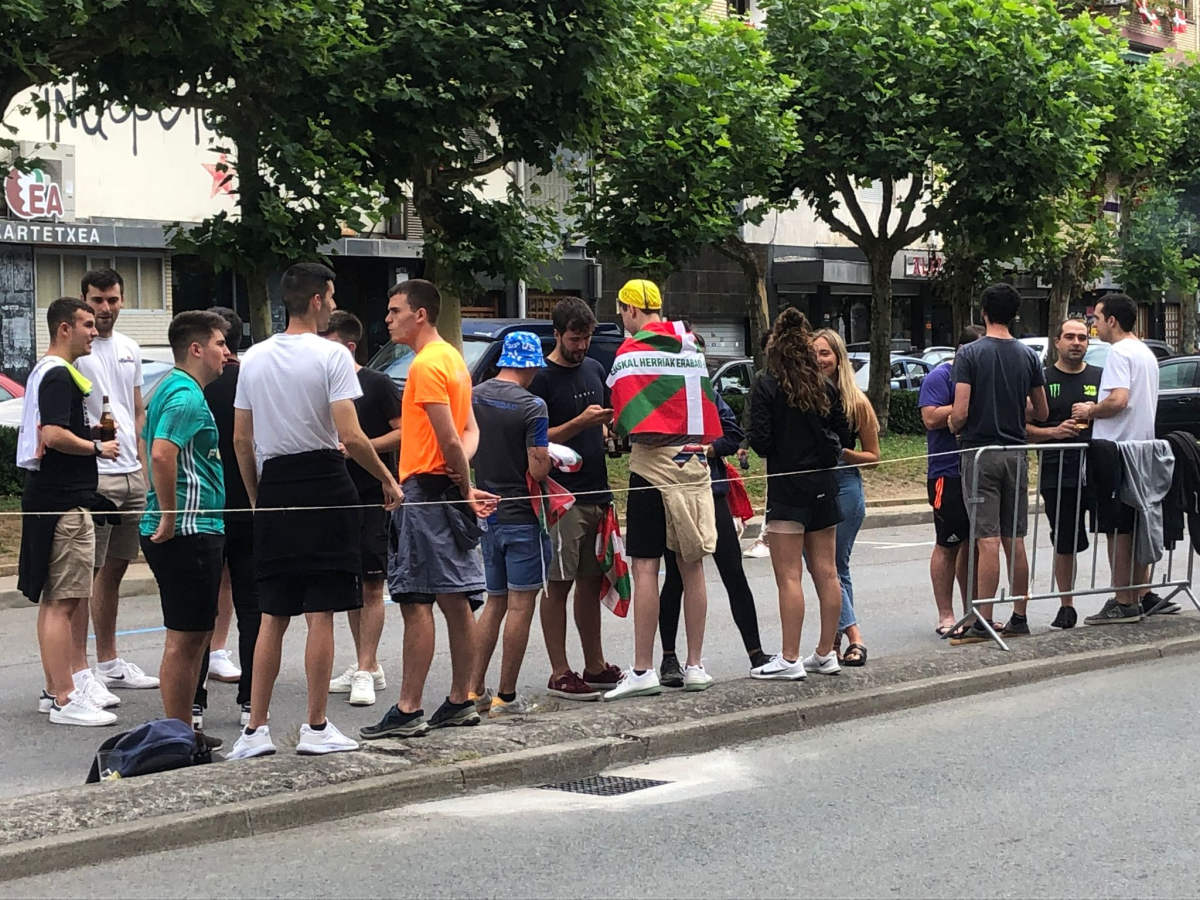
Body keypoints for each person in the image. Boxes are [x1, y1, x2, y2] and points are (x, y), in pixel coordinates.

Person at [228, 263, 402, 760]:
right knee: (320, 611)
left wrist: (258, 495)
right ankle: (316, 725)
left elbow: (241, 439)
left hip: (275, 481)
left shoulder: (254, 358)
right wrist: (386, 477)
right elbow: (350, 435)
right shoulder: (332, 355)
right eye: (331, 295)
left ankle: (255, 728)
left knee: (273, 612)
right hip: (326, 477)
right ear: (319, 300)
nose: (333, 303)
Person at [360, 279, 498, 740]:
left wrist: (463, 483)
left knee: (416, 599)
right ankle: (461, 698)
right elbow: (469, 432)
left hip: (424, 491)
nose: (388, 319)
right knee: (457, 600)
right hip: (445, 489)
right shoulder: (454, 359)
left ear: (420, 314)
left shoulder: (424, 365)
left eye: (395, 310)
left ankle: (408, 707)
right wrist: (462, 481)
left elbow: (451, 437)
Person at [603, 280, 719, 700]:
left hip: (650, 467)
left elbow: (623, 416)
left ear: (633, 309)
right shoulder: (691, 345)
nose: (623, 319)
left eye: (622, 311)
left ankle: (642, 669)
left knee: (646, 567)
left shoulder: (630, 352)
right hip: (693, 464)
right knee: (693, 565)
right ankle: (696, 665)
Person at [18, 297, 119, 725]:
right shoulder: (59, 374)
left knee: (59, 600)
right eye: (87, 325)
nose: (95, 332)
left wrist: (87, 430)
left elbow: (55, 429)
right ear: (64, 329)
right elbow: (53, 434)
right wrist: (96, 446)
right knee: (63, 602)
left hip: (51, 497)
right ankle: (64, 697)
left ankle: (54, 689)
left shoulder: (47, 371)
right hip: (63, 503)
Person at [659, 332, 770, 682]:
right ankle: (669, 660)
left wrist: (707, 450)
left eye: (699, 358)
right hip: (676, 493)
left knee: (733, 572)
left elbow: (733, 434)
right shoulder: (662, 395)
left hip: (713, 490)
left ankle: (756, 653)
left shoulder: (708, 393)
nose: (696, 364)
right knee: (675, 578)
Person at [140, 311, 230, 731]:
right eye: (220, 344)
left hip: (197, 529)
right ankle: (176, 733)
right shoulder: (185, 395)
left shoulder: (171, 387)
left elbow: (146, 444)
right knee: (185, 637)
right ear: (196, 349)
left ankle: (183, 731)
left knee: (196, 635)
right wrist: (169, 514)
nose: (227, 353)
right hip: (189, 532)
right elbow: (161, 453)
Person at [528, 297, 621, 701]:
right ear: (557, 334)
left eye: (586, 338)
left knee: (590, 580)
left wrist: (606, 429)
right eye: (574, 339)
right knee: (558, 583)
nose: (581, 346)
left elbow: (601, 424)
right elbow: (537, 439)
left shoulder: (595, 369)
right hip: (561, 497)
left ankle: (595, 665)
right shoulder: (542, 379)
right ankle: (559, 670)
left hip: (598, 488)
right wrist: (581, 422)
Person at [747, 308, 847, 680]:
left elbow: (760, 440)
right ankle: (825, 652)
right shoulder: (825, 385)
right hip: (824, 484)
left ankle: (789, 657)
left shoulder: (766, 384)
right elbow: (843, 432)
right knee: (828, 572)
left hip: (787, 487)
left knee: (789, 576)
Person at [948, 284, 1048, 644]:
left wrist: (953, 424)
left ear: (984, 312)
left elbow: (960, 411)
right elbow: (1042, 410)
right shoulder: (1028, 355)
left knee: (986, 539)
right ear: (1015, 314)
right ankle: (1019, 616)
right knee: (1014, 537)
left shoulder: (969, 353)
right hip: (1016, 452)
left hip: (980, 452)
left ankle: (983, 619)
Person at [75, 268, 159, 691]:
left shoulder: (130, 347)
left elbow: (137, 409)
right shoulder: (75, 351)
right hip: (96, 475)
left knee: (115, 570)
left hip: (130, 473)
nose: (105, 308)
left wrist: (142, 463)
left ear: (122, 300)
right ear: (85, 301)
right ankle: (77, 670)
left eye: (112, 299)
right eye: (97, 300)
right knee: (83, 576)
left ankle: (108, 662)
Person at [468, 332, 552, 717]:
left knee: (494, 601)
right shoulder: (533, 406)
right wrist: (552, 459)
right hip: (522, 514)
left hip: (487, 511)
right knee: (520, 605)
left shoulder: (474, 395)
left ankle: (473, 690)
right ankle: (506, 695)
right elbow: (538, 466)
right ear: (530, 365)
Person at [322, 310, 403, 706]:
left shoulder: (377, 383)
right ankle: (363, 662)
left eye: (329, 346)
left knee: (372, 583)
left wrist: (361, 447)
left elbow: (404, 430)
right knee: (351, 584)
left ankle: (368, 668)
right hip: (336, 493)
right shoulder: (322, 387)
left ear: (349, 347)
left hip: (374, 492)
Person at [1071, 293, 1161, 625]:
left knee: (1117, 529)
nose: (1093, 325)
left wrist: (1090, 409)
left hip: (1116, 450)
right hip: (1141, 449)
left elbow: (1119, 400)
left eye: (1096, 318)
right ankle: (1135, 594)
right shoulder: (1145, 352)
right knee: (1134, 526)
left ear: (1112, 320)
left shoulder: (1120, 352)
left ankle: (1123, 600)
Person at [201, 306, 260, 727]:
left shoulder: (195, 385)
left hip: (204, 506)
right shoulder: (251, 382)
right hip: (246, 500)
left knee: (199, 607)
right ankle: (250, 701)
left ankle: (193, 703)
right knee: (252, 606)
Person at [1025, 319, 1102, 629]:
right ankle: (1066, 605)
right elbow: (1022, 428)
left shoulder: (1101, 376)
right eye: (1069, 337)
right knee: (1065, 540)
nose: (1076, 343)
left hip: (1098, 468)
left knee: (1121, 529)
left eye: (1082, 337)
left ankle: (1130, 596)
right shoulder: (1042, 380)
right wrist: (1053, 432)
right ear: (1056, 341)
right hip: (1058, 472)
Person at [810, 328, 880, 666]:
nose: (819, 359)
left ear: (839, 358)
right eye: (814, 353)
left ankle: (854, 637)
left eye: (825, 353)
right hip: (813, 486)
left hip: (845, 485)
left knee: (831, 565)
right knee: (830, 567)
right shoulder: (807, 397)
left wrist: (844, 454)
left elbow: (874, 456)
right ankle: (833, 642)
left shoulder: (857, 402)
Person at [918, 325, 982, 635]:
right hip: (947, 472)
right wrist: (963, 407)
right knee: (948, 543)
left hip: (979, 469)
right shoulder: (940, 377)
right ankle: (945, 614)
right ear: (963, 351)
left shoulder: (985, 378)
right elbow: (930, 417)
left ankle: (973, 612)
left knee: (974, 544)